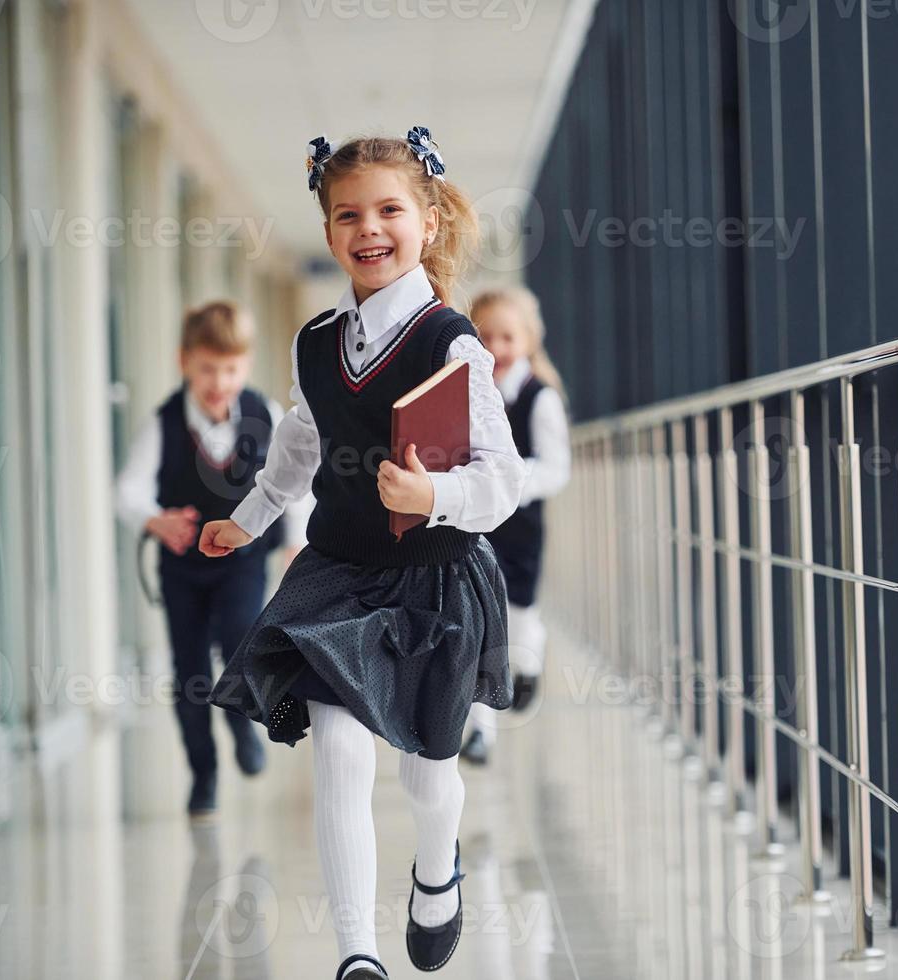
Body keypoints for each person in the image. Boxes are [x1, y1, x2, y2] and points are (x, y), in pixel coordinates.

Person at [197, 128, 525, 980]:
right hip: (339, 571)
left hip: (433, 583)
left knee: (426, 777)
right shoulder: (315, 342)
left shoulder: (451, 340)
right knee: (339, 749)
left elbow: (505, 481)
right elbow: (301, 439)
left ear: (426, 219)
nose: (368, 228)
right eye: (348, 214)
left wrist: (435, 499)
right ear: (328, 226)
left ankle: (436, 871)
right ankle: (356, 954)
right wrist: (254, 514)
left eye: (388, 209)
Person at [113, 299, 313, 819]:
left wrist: (294, 540)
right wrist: (155, 519)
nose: (218, 381)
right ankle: (203, 774)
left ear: (244, 365)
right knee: (189, 674)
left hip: (242, 561)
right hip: (182, 569)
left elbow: (294, 483)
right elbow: (128, 491)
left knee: (240, 644)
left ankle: (242, 724)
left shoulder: (265, 412)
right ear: (185, 363)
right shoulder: (163, 423)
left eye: (229, 369)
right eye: (207, 369)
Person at [460, 286, 571, 766]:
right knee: (481, 624)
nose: (496, 348)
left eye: (507, 337)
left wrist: (511, 483)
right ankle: (480, 729)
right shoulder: (467, 393)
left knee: (519, 613)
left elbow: (557, 467)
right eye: (486, 337)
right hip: (476, 528)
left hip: (521, 525)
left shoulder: (539, 398)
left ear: (528, 341)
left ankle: (529, 660)